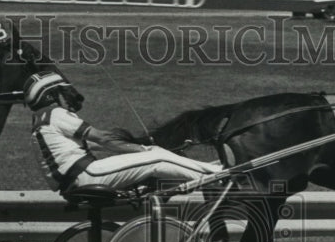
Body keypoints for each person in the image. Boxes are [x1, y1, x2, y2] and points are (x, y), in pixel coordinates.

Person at [24, 71, 221, 193]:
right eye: (60, 92)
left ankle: (204, 169)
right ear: (49, 96)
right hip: (87, 175)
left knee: (155, 156)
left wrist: (138, 149)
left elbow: (94, 145)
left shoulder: (42, 123)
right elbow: (102, 139)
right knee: (158, 158)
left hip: (77, 180)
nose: (66, 97)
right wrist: (143, 149)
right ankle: (217, 175)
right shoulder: (56, 113)